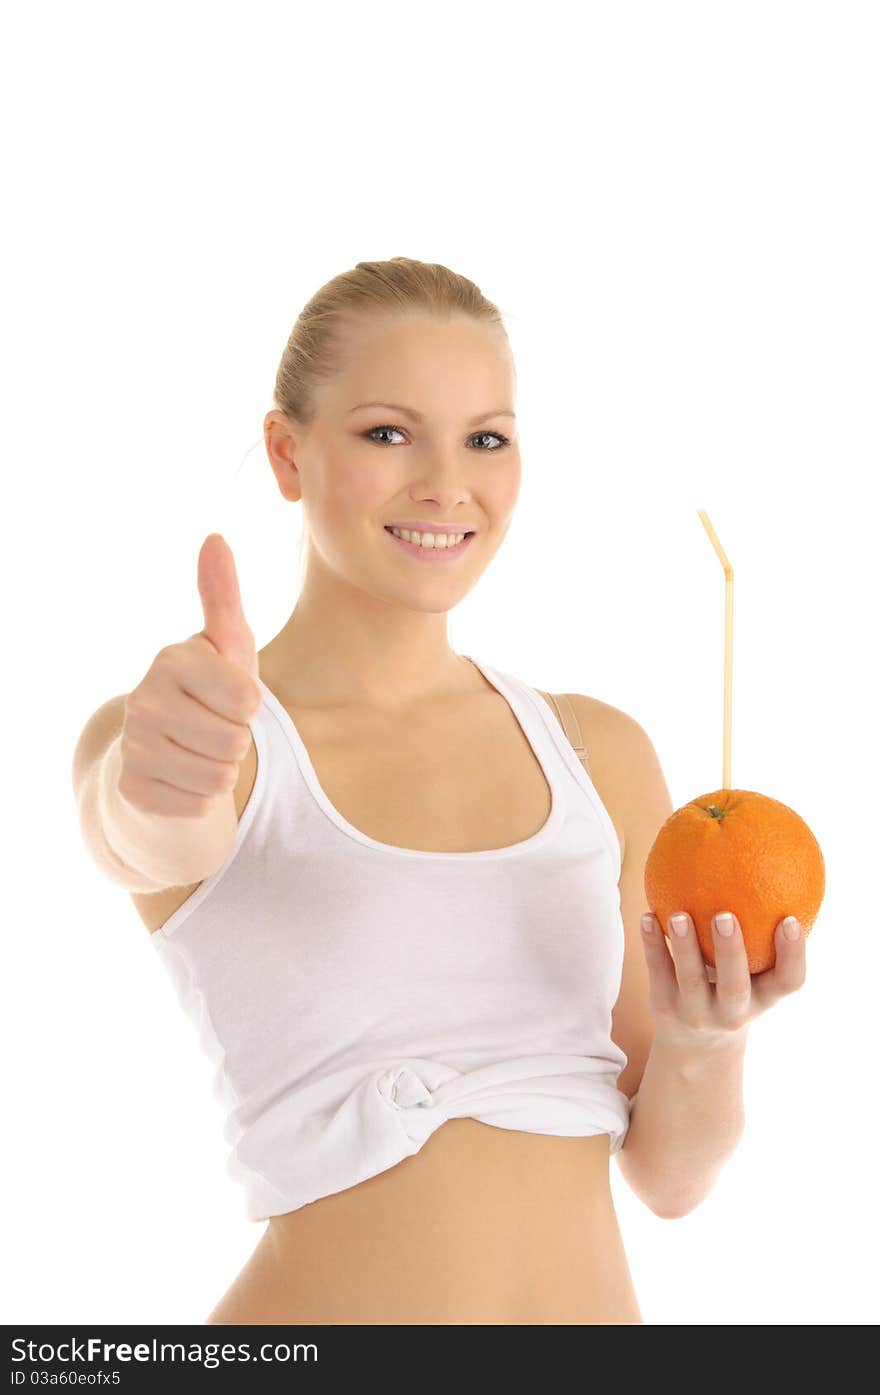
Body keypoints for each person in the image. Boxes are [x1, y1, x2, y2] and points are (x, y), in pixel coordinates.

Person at [72, 256, 778, 1326]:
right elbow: (142, 833)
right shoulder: (211, 740)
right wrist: (157, 787)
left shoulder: (600, 754)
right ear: (286, 453)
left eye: (485, 438)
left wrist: (708, 1039)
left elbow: (669, 1181)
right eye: (388, 433)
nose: (448, 484)